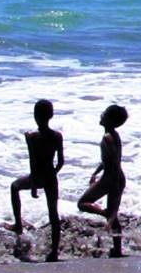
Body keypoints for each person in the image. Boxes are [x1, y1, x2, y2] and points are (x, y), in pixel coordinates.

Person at [8, 99, 65, 260]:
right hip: (51, 178)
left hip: (37, 176)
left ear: (35, 116)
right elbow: (61, 161)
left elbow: (32, 161)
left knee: (14, 187)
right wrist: (53, 173)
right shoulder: (57, 136)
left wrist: (34, 185)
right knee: (53, 214)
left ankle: (18, 225)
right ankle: (54, 252)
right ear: (51, 115)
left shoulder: (32, 137)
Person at [76, 104, 129, 256]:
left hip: (111, 178)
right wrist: (96, 172)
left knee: (82, 203)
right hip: (115, 176)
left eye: (104, 113)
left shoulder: (108, 138)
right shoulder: (114, 135)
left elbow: (112, 162)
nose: (101, 114)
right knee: (114, 215)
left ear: (109, 119)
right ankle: (117, 249)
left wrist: (108, 180)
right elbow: (110, 160)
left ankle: (106, 213)